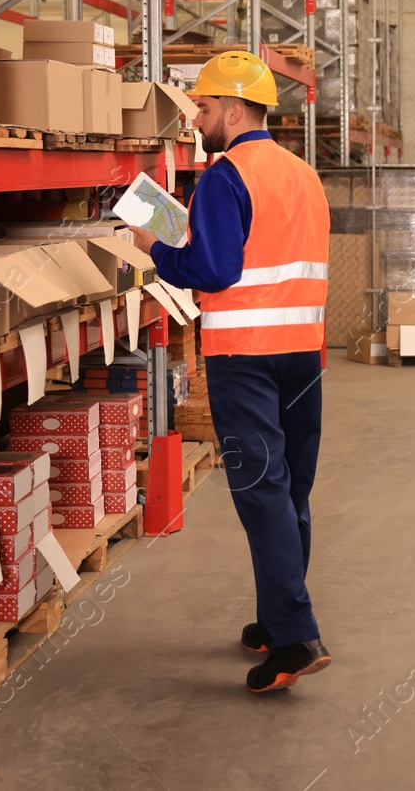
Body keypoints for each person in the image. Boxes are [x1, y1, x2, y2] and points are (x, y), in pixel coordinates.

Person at [127, 50, 332, 694]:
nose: (199, 116)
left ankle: (295, 637)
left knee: (260, 491)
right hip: (304, 355)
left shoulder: (224, 175)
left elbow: (214, 271)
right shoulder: (303, 175)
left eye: (206, 106)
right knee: (290, 487)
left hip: (245, 356)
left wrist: (154, 246)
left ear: (235, 108)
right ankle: (278, 617)